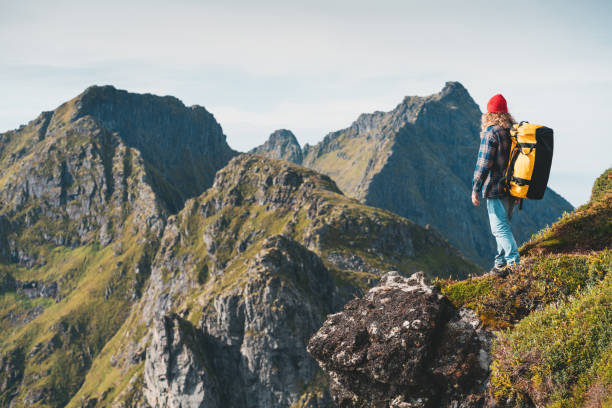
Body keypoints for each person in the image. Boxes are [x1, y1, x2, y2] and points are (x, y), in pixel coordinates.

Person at [471, 94, 520, 273]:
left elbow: (483, 164)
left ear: (489, 114)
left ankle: (514, 263)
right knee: (503, 225)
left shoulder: (492, 132)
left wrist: (475, 189)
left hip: (496, 188)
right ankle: (500, 264)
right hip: (512, 188)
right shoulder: (513, 132)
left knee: (499, 229)